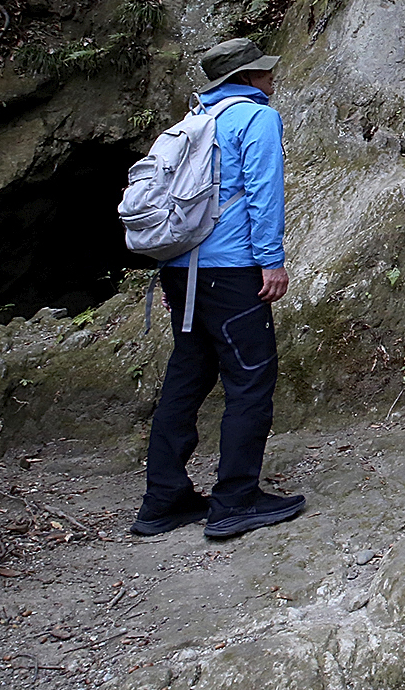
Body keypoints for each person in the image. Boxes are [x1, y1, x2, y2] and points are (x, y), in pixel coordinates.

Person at [130, 37, 307, 539]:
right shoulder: (255, 118)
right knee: (250, 380)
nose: (272, 79)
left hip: (180, 270)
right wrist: (271, 262)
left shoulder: (192, 123)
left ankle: (163, 500)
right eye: (264, 72)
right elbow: (263, 192)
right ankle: (235, 500)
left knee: (187, 377)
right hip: (231, 272)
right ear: (246, 77)